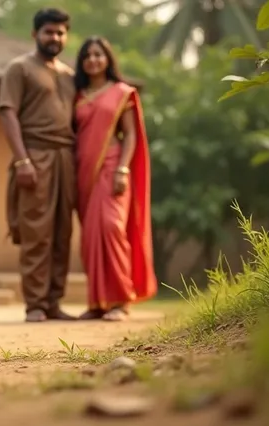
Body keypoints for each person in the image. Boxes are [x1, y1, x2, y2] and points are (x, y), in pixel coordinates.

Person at [0, 8, 77, 323]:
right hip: (35, 155)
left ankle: (54, 302)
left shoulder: (71, 75)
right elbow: (7, 113)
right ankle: (34, 304)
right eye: (49, 32)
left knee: (62, 233)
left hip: (66, 158)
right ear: (35, 34)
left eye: (60, 32)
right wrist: (22, 160)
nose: (55, 38)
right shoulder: (19, 68)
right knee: (36, 234)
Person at [72, 36, 158, 321]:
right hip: (83, 171)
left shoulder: (122, 92)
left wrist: (123, 168)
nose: (93, 59)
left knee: (112, 228)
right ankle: (98, 302)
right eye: (87, 55)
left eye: (98, 54)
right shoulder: (78, 93)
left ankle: (121, 300)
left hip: (112, 166)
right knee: (90, 238)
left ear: (108, 59)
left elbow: (130, 133)